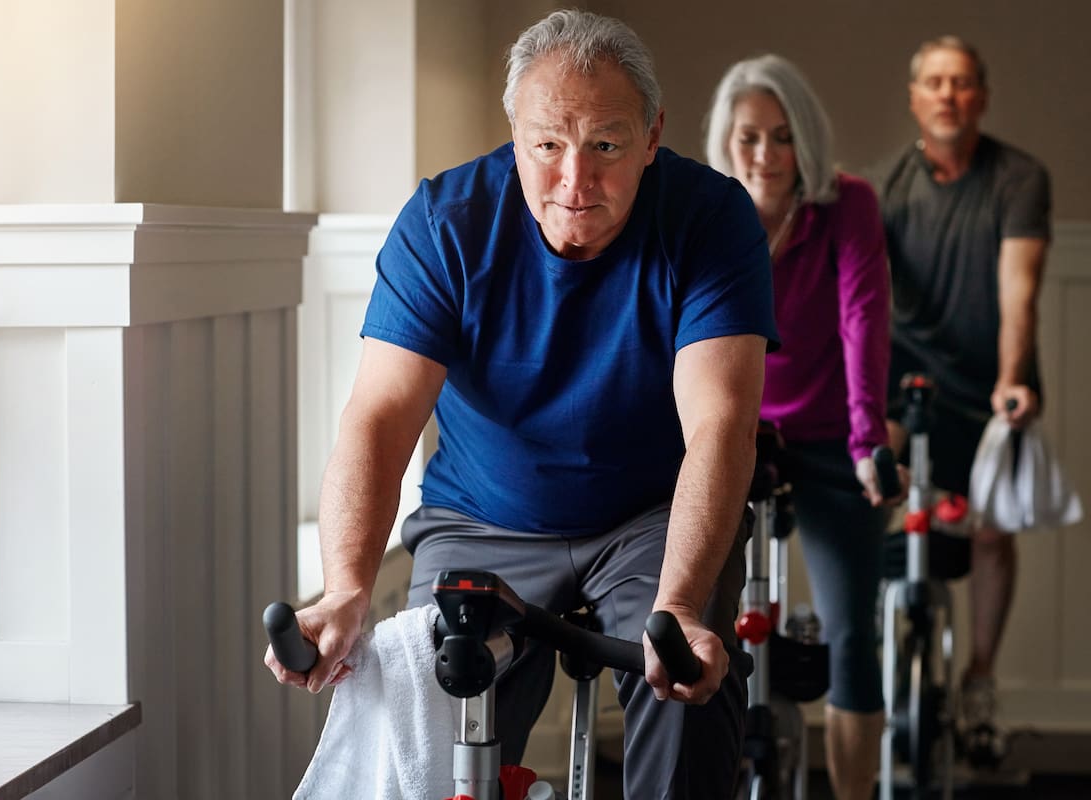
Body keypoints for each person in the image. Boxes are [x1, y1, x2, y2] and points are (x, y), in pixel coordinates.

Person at [265, 9, 780, 797]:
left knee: (683, 681)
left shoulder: (710, 219)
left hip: (650, 516)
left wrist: (677, 605)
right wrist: (346, 588)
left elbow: (720, 424)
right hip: (482, 515)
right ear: (515, 135)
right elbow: (379, 420)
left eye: (606, 145)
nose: (575, 182)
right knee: (428, 702)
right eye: (547, 146)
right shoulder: (445, 223)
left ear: (652, 136)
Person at [706, 54, 902, 800]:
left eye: (781, 137)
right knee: (702, 620)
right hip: (733, 433)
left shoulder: (847, 203)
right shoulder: (711, 211)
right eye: (748, 136)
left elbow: (863, 317)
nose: (763, 155)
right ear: (727, 140)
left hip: (830, 436)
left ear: (806, 143)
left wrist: (868, 441)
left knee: (853, 633)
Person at [878, 35, 1051, 767]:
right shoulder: (884, 187)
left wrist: (1012, 378)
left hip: (989, 386)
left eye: (962, 83)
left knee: (989, 531)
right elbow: (857, 296)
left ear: (980, 96)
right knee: (865, 487)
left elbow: (1020, 291)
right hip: (902, 383)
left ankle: (978, 682)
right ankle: (876, 675)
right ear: (915, 98)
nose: (948, 94)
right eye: (935, 83)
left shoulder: (1018, 177)